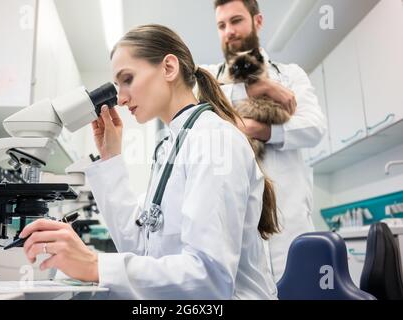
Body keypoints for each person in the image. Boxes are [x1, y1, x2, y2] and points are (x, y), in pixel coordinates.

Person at [19, 24, 280, 300]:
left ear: (169, 68)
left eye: (127, 79)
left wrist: (94, 264)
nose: (119, 98)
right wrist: (111, 159)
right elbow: (141, 247)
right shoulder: (170, 146)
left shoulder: (216, 140)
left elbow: (208, 278)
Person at [203, 0, 327, 281]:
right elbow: (197, 105)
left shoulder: (291, 74)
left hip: (289, 221)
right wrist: (258, 87)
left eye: (236, 21)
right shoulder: (211, 77)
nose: (229, 31)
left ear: (257, 21)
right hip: (237, 228)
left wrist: (257, 129)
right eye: (221, 25)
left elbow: (314, 127)